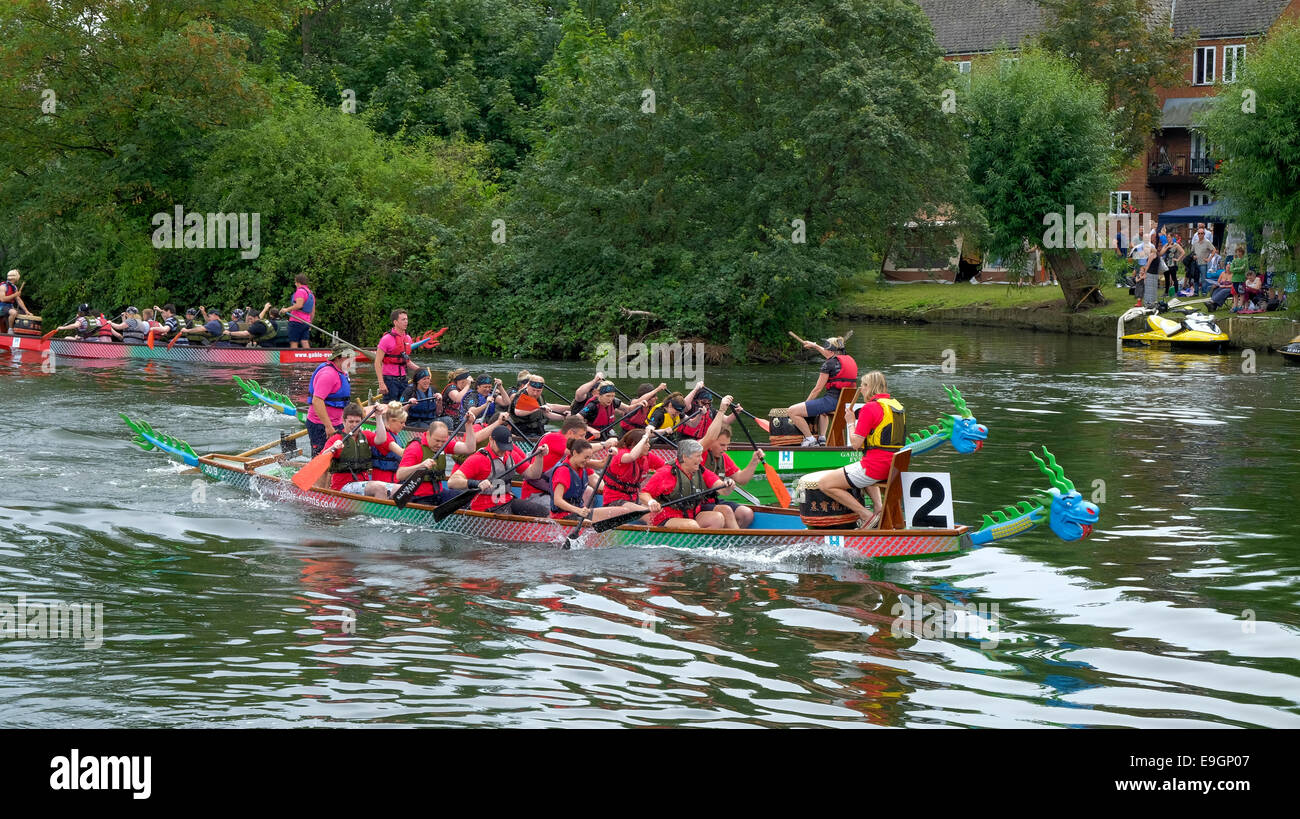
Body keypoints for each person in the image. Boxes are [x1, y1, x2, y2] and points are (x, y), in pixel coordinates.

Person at [816, 371, 904, 529]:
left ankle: (866, 516)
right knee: (859, 468)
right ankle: (878, 509)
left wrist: (850, 422)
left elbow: (856, 444)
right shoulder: (897, 406)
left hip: (875, 467)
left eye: (863, 385)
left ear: (871, 387)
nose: (861, 389)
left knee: (825, 484)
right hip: (894, 465)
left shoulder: (870, 408)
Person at [447, 425, 550, 517]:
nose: (503, 451)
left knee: (543, 512)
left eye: (506, 447)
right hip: (485, 509)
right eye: (501, 447)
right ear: (491, 440)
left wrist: (539, 457)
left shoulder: (511, 455)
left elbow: (533, 474)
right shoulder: (478, 459)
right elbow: (452, 482)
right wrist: (477, 483)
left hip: (507, 502)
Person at [642, 439, 736, 529]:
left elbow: (722, 489)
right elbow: (644, 493)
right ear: (684, 457)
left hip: (692, 515)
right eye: (698, 456)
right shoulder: (665, 473)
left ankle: (706, 544)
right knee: (692, 525)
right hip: (666, 517)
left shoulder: (701, 471)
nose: (701, 460)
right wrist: (651, 502)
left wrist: (728, 485)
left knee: (717, 518)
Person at [394, 417, 491, 504]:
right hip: (418, 497)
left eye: (443, 441)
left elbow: (469, 448)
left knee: (466, 500)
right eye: (437, 441)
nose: (440, 445)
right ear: (427, 434)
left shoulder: (444, 444)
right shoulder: (415, 448)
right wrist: (420, 466)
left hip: (438, 494)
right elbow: (400, 474)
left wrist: (469, 425)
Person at [549, 439, 647, 523]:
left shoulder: (581, 465)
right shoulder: (563, 471)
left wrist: (610, 454)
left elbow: (602, 464)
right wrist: (578, 510)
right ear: (574, 453)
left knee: (624, 511)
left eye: (590, 458)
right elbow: (557, 501)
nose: (588, 461)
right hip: (562, 516)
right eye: (586, 457)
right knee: (589, 523)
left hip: (578, 512)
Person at [784, 336, 858, 447]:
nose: (824, 351)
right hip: (846, 403)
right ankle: (822, 438)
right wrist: (814, 345)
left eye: (826, 349)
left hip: (832, 402)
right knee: (822, 411)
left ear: (830, 351)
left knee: (792, 411)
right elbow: (828, 354)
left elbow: (817, 390)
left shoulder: (828, 364)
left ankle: (810, 439)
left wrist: (806, 404)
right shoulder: (848, 360)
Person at [523, 416, 614, 504]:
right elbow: (577, 449)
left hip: (557, 493)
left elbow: (593, 478)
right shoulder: (553, 438)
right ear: (570, 433)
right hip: (536, 494)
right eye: (581, 436)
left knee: (588, 491)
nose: (584, 440)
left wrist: (611, 492)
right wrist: (604, 444)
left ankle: (580, 518)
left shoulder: (575, 456)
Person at [323, 401, 404, 499]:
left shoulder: (365, 435)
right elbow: (321, 458)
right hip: (343, 487)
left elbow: (382, 438)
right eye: (351, 422)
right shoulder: (336, 439)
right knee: (379, 488)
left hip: (363, 483)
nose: (354, 425)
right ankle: (376, 514)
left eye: (357, 422)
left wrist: (378, 416)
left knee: (402, 488)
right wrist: (333, 448)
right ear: (344, 422)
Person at [699, 411, 761, 528]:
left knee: (746, 514)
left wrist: (754, 461)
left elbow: (742, 479)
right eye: (722, 445)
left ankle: (727, 539)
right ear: (711, 441)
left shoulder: (723, 458)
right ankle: (736, 543)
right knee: (726, 511)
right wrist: (722, 410)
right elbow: (709, 437)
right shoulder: (699, 452)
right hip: (696, 503)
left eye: (727, 445)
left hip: (713, 501)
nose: (725, 449)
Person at [305, 342, 353, 458]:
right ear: (337, 358)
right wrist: (328, 427)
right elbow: (317, 401)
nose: (351, 361)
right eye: (348, 357)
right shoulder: (328, 375)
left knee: (338, 456)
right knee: (322, 457)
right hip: (320, 425)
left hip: (337, 423)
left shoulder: (341, 372)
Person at [577, 381, 649, 438]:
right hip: (593, 434)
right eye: (607, 396)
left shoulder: (614, 401)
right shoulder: (592, 405)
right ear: (599, 395)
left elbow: (628, 409)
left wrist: (638, 404)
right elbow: (576, 419)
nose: (610, 399)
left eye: (613, 396)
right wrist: (591, 430)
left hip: (607, 432)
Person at [375, 309, 418, 400]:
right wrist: (381, 383)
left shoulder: (408, 338)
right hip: (389, 380)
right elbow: (377, 362)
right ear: (395, 322)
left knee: (404, 406)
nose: (406, 321)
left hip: (403, 379)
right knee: (391, 409)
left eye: (406, 319)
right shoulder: (386, 339)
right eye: (403, 319)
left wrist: (421, 370)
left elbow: (407, 361)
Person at [369, 401, 410, 484]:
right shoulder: (385, 436)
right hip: (384, 481)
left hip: (394, 478)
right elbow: (402, 453)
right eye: (401, 422)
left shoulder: (394, 434)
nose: (404, 425)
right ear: (392, 421)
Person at [283, 273, 315, 348]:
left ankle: (294, 360)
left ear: (298, 282)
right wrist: (310, 323)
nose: (295, 284)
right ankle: (308, 359)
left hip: (296, 320)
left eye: (295, 282)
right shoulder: (310, 293)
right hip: (306, 321)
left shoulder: (300, 291)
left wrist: (286, 309)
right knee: (304, 341)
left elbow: (299, 305)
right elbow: (312, 311)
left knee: (294, 342)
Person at [1161, 231, 1185, 296]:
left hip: (1172, 264)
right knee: (1167, 278)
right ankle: (1166, 292)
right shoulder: (1166, 245)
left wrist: (1178, 259)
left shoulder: (1176, 245)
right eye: (1167, 237)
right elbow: (1161, 253)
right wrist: (1167, 248)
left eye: (1169, 237)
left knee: (1174, 278)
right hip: (1166, 264)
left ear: (1172, 238)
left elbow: (1183, 252)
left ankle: (1176, 292)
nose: (1168, 239)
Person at [1229, 245, 1249, 312]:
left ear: (1242, 252)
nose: (1238, 253)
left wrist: (1236, 269)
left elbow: (1243, 269)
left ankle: (1240, 306)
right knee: (1235, 294)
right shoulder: (1234, 261)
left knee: (1241, 293)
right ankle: (1235, 306)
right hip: (1234, 279)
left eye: (1240, 252)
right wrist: (1238, 269)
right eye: (1237, 252)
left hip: (1241, 279)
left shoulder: (1245, 260)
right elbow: (1231, 269)